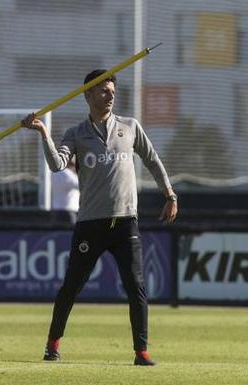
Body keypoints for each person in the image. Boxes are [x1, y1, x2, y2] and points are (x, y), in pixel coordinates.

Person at [22, 69, 178, 366]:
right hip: (90, 224)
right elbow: (57, 164)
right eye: (104, 91)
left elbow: (153, 160)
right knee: (71, 287)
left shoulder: (130, 127)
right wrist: (43, 133)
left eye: (112, 91)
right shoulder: (76, 133)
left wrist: (170, 194)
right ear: (88, 95)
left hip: (125, 221)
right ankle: (52, 344)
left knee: (136, 286)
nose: (110, 96)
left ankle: (141, 351)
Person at [51, 157, 79, 226]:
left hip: (55, 211)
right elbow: (82, 184)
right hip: (69, 211)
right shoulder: (68, 174)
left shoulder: (53, 173)